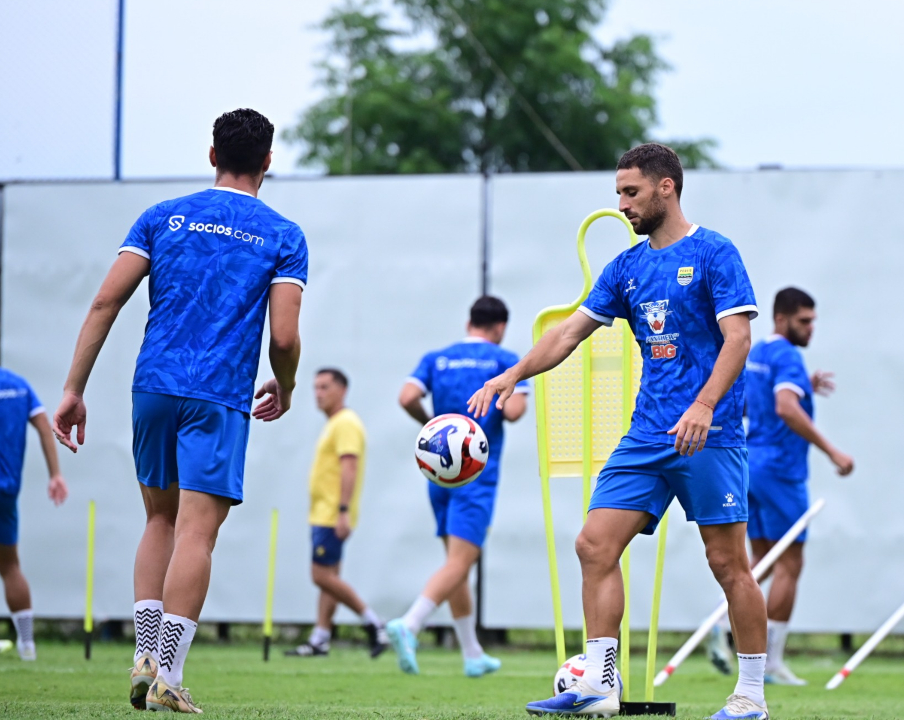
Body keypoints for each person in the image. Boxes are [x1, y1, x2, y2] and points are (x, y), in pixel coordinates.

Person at [469, 143, 770, 720]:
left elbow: (738, 340)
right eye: (618, 194)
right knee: (592, 545)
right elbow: (566, 335)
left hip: (711, 433)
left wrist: (705, 405)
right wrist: (511, 373)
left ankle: (751, 696)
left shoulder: (715, 252)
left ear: (666, 188)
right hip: (647, 435)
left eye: (631, 192)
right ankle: (599, 684)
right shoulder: (626, 267)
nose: (623, 204)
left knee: (729, 564)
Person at [52, 108, 307, 713]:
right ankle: (168, 671)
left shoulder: (160, 217)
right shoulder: (282, 234)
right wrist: (287, 384)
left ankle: (144, 652)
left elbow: (105, 302)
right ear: (268, 162)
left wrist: (73, 388)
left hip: (154, 387)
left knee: (158, 522)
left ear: (212, 154)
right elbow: (286, 339)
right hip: (217, 394)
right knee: (197, 531)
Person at [707, 287, 854, 685]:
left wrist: (804, 382)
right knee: (791, 563)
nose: (811, 329)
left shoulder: (758, 354)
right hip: (782, 471)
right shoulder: (788, 355)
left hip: (752, 466)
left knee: (759, 558)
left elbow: (750, 404)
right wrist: (832, 452)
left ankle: (721, 623)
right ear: (782, 318)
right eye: (804, 321)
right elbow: (785, 407)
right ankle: (770, 662)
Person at [387, 295, 527, 678]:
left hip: (438, 472)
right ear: (499, 327)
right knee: (461, 562)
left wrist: (432, 424)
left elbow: (406, 397)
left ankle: (471, 653)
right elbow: (514, 412)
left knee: (456, 563)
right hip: (476, 474)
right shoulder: (505, 360)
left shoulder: (438, 358)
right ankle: (410, 624)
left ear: (470, 322)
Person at [0, 320, 69, 660]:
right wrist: (55, 474)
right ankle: (28, 647)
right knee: (10, 566)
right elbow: (45, 426)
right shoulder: (17, 384)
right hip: (2, 488)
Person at [285, 368, 387, 658]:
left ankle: (373, 622)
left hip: (331, 514)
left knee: (320, 576)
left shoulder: (345, 423)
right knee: (330, 577)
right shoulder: (335, 423)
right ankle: (320, 637)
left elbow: (349, 466)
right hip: (325, 512)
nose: (318, 393)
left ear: (342, 390)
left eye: (325, 387)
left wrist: (342, 511)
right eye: (315, 387)